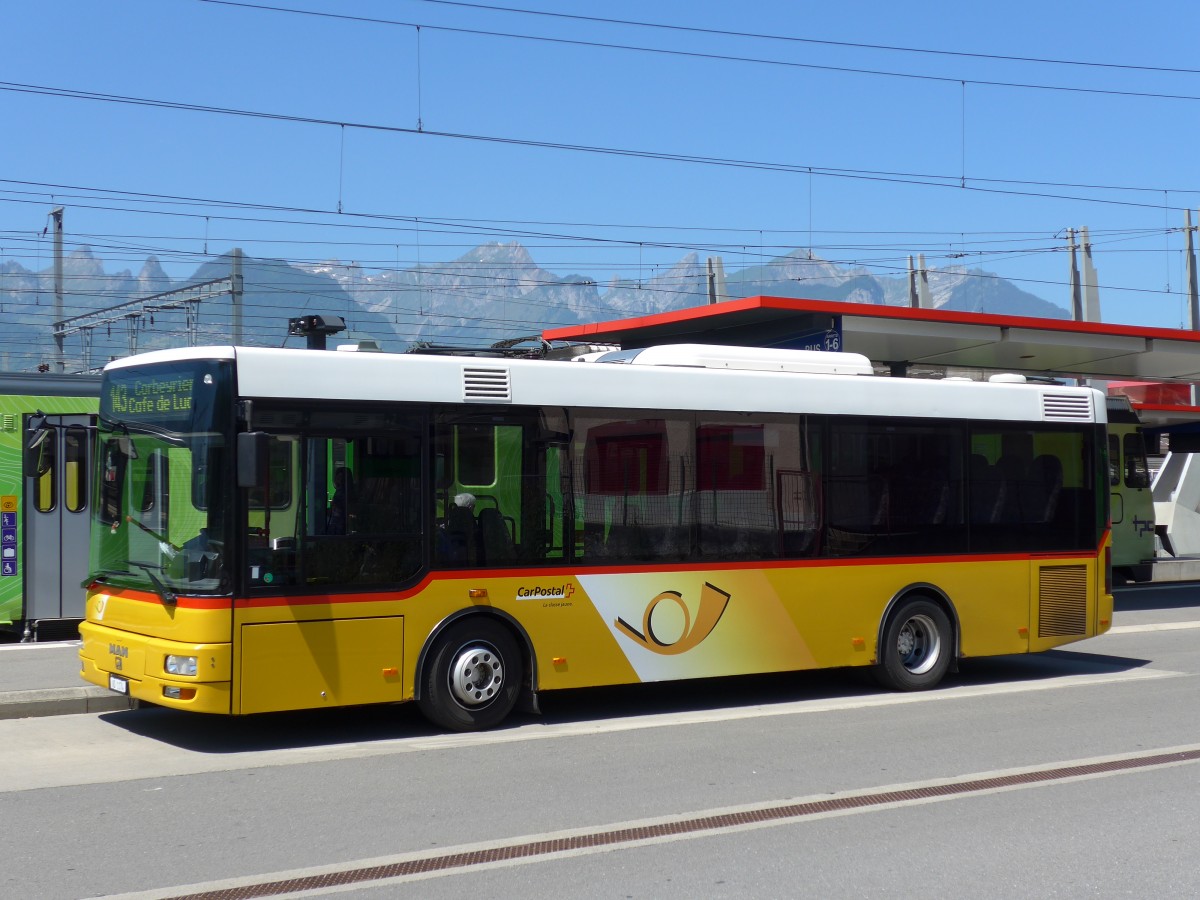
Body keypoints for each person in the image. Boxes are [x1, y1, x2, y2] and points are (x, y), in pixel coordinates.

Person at [327, 467, 355, 534]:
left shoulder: (342, 492)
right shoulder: (347, 490)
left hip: (339, 522)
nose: (337, 479)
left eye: (340, 478)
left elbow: (340, 508)